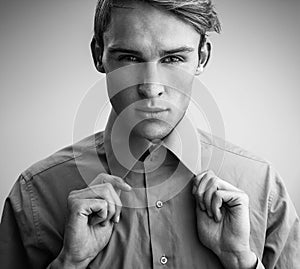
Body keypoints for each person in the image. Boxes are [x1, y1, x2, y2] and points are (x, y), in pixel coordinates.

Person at [0, 0, 299, 268]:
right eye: (130, 58)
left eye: (173, 59)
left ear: (203, 56)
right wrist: (69, 263)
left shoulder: (263, 187)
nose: (151, 87)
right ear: (99, 55)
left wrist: (241, 262)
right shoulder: (34, 195)